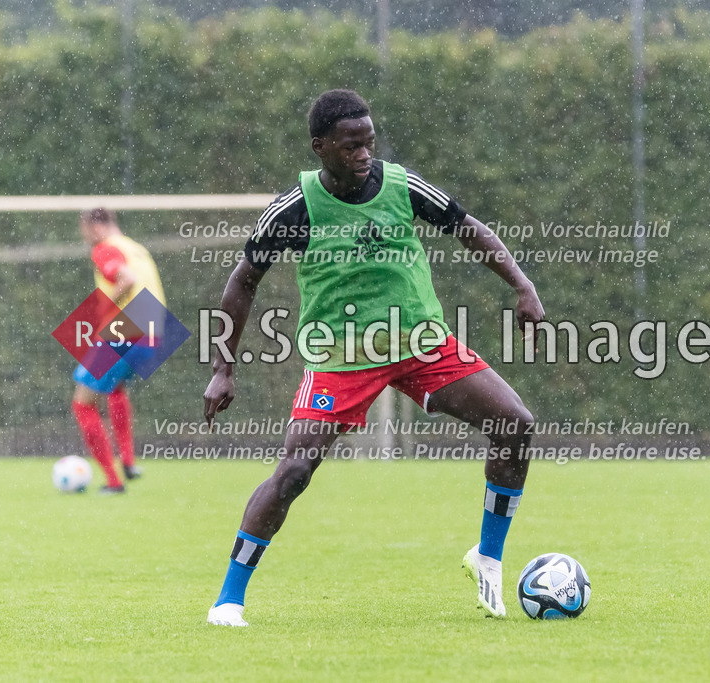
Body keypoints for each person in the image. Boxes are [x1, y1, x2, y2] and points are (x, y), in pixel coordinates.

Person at [203, 89, 544, 626]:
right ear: (321, 147)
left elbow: (469, 229)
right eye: (350, 146)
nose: (364, 155)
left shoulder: (403, 186)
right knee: (294, 472)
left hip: (420, 345)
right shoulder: (295, 209)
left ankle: (489, 556)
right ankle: (228, 599)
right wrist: (223, 369)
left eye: (369, 143)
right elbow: (241, 284)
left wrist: (523, 287)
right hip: (340, 359)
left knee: (516, 425)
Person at [71, 208, 164, 493]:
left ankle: (113, 481)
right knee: (115, 388)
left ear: (96, 227)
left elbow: (126, 280)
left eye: (84, 230)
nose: (84, 237)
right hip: (152, 333)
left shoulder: (105, 249)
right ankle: (128, 461)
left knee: (83, 404)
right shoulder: (137, 248)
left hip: (124, 332)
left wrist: (102, 312)